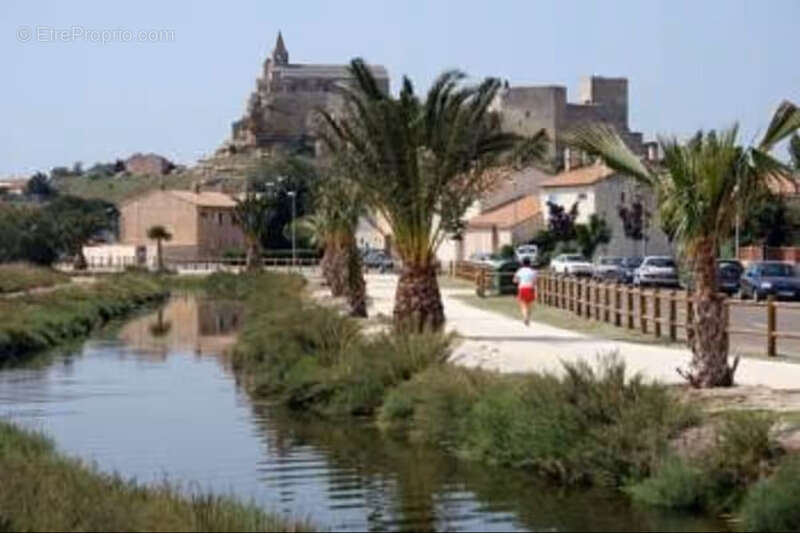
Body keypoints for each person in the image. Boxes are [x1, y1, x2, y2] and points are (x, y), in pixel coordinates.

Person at [513, 257, 537, 325]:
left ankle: (525, 317)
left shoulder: (520, 271)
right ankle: (528, 318)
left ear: (522, 263)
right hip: (530, 288)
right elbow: (535, 282)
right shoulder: (533, 271)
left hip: (522, 288)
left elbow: (515, 280)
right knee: (529, 305)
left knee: (523, 305)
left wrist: (520, 281)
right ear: (530, 263)